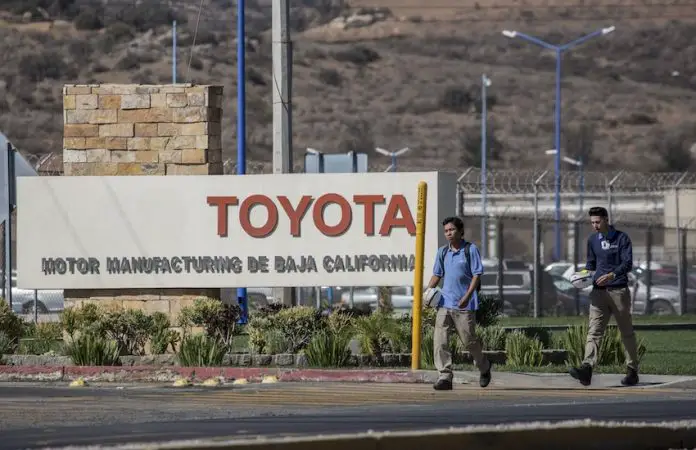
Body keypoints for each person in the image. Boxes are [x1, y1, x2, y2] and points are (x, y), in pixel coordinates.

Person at [569, 206, 640, 387]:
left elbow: (627, 263)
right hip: (598, 293)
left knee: (626, 332)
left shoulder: (622, 238)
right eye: (592, 222)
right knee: (594, 331)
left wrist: (612, 275)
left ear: (606, 220)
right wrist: (582, 275)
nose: (595, 226)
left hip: (618, 291)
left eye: (598, 222)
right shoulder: (593, 240)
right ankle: (587, 369)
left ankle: (632, 370)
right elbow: (591, 265)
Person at [425, 216, 492, 391]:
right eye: (446, 231)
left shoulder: (470, 250)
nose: (448, 233)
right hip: (444, 303)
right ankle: (445, 376)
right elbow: (437, 274)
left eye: (452, 230)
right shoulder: (443, 252)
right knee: (440, 341)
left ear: (460, 231)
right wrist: (427, 293)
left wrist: (467, 297)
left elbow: (477, 275)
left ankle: (484, 367)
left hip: (464, 305)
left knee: (469, 341)